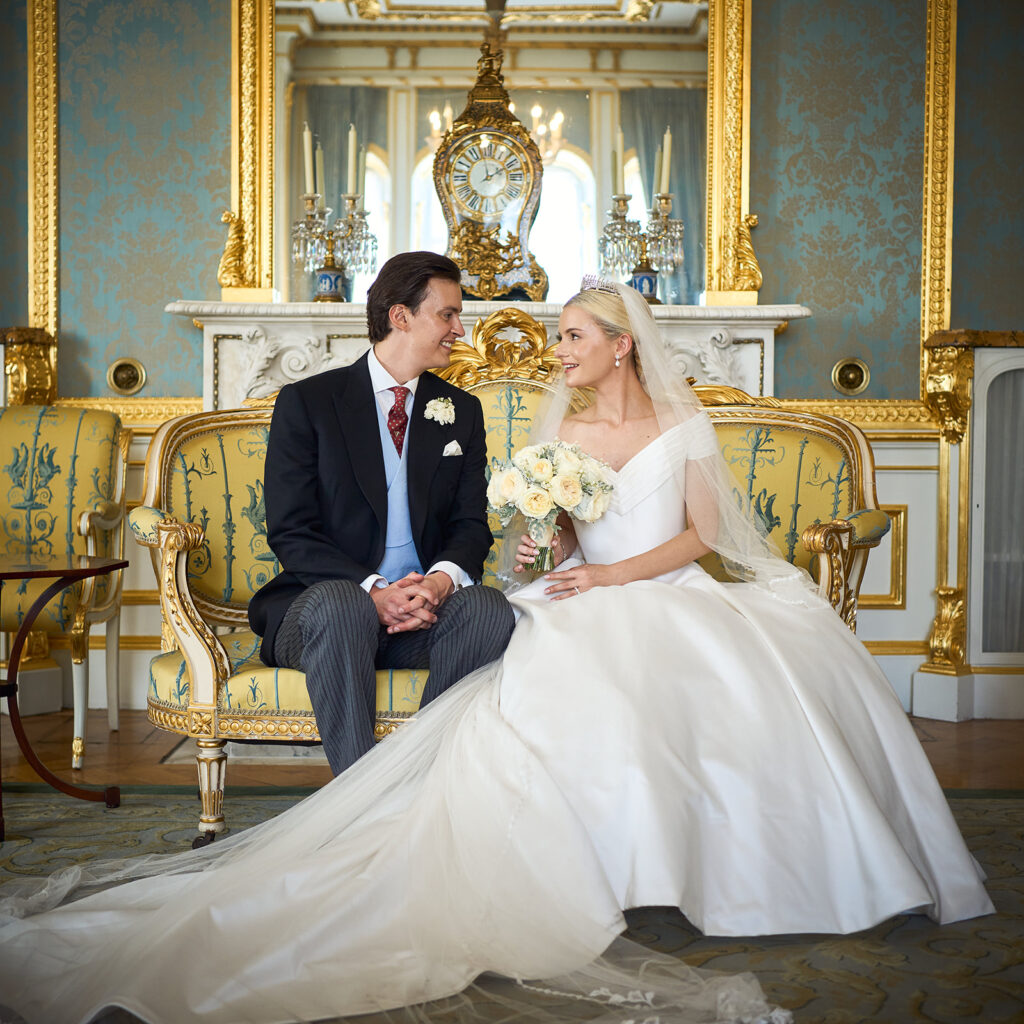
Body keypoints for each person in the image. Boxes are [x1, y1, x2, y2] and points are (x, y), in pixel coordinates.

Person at [0, 278, 993, 1024]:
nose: (550, 350)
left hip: (659, 591)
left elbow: (696, 536)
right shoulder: (509, 423)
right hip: (546, 589)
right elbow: (536, 541)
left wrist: (577, 573)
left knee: (640, 672)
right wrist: (546, 539)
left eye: (570, 336)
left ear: (618, 346)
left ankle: (678, 876)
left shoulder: (676, 426)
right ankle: (406, 825)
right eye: (453, 315)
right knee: (522, 654)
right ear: (402, 315)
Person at [248, 250, 516, 774]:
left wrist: (439, 583)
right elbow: (292, 531)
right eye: (448, 315)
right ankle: (361, 800)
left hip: (422, 614)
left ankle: (422, 786)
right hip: (324, 613)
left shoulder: (462, 410)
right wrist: (374, 591)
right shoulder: (308, 403)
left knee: (488, 608)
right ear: (400, 316)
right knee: (342, 604)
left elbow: (469, 525)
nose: (460, 329)